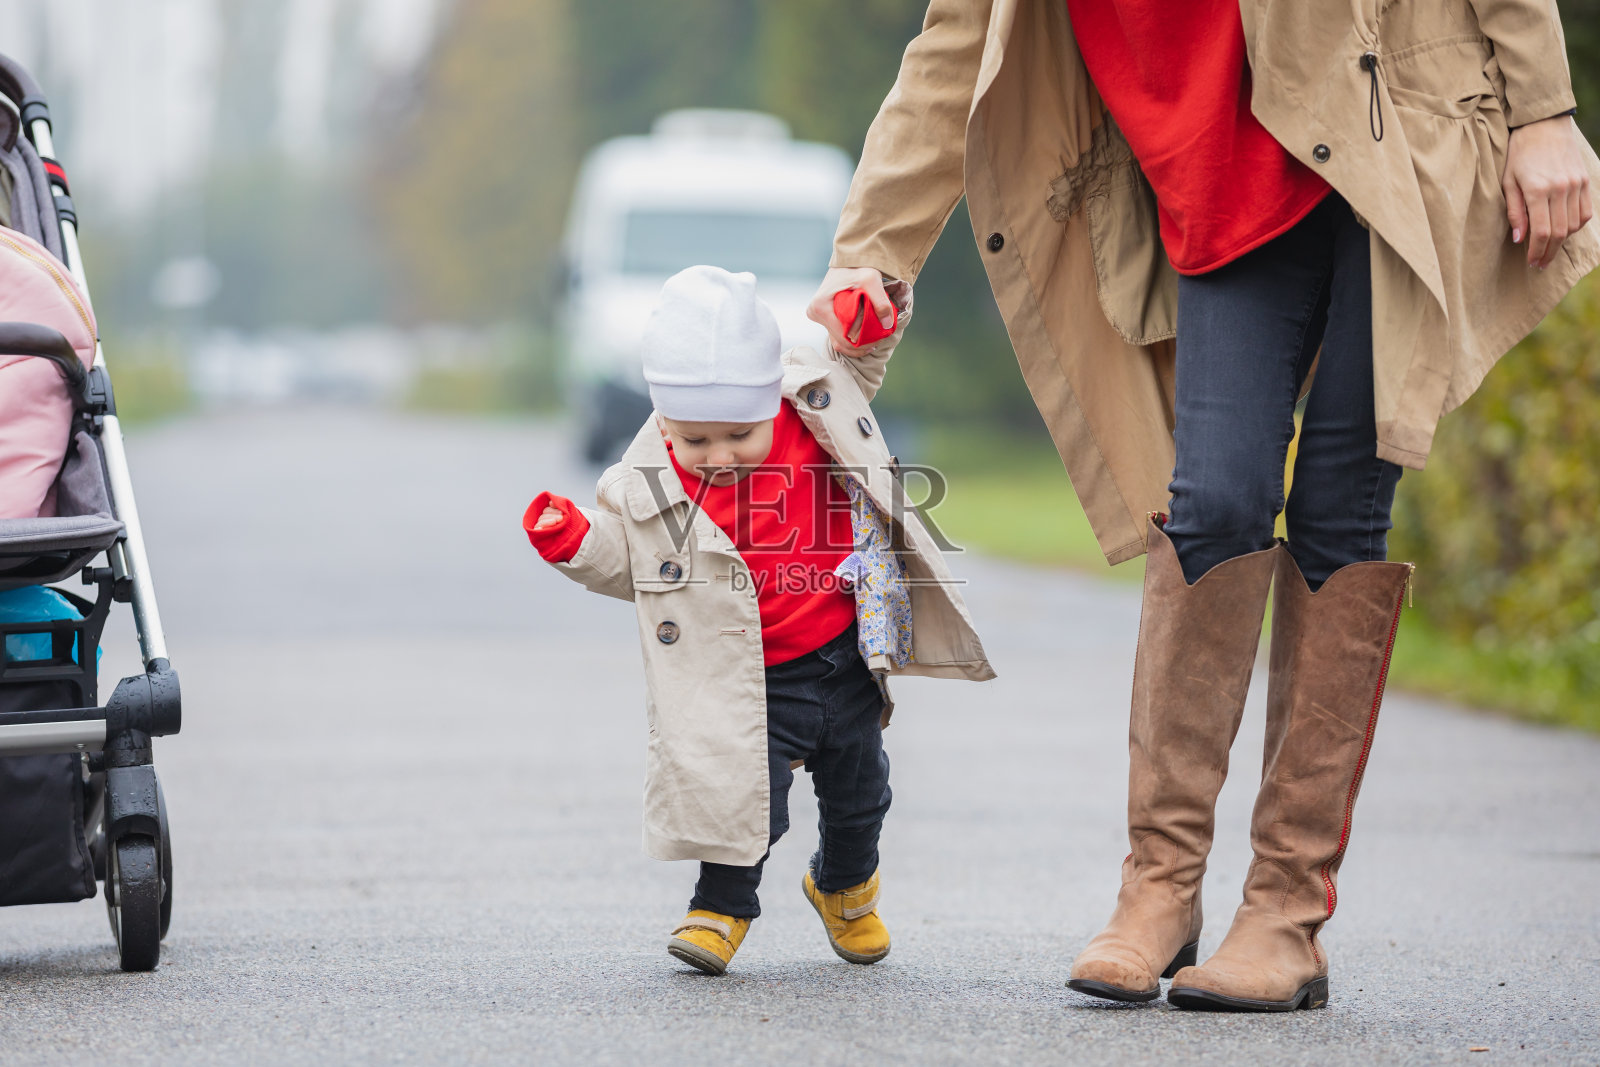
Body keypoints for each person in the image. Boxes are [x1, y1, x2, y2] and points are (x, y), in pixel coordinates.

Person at [808, 0, 1596, 1011]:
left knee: (1339, 507)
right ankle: (1160, 886)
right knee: (1213, 497)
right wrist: (871, 252)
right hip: (1220, 183)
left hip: (1389, 136)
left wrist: (1542, 111)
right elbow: (954, 56)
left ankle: (1283, 911)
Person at [525, 266, 992, 975]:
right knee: (743, 803)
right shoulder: (651, 484)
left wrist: (868, 318)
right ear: (665, 423)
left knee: (862, 793)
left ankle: (844, 887)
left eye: (740, 434)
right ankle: (719, 908)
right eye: (694, 440)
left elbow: (859, 362)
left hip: (841, 657)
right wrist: (577, 540)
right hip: (748, 679)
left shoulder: (812, 406)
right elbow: (634, 562)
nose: (718, 457)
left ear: (770, 402)